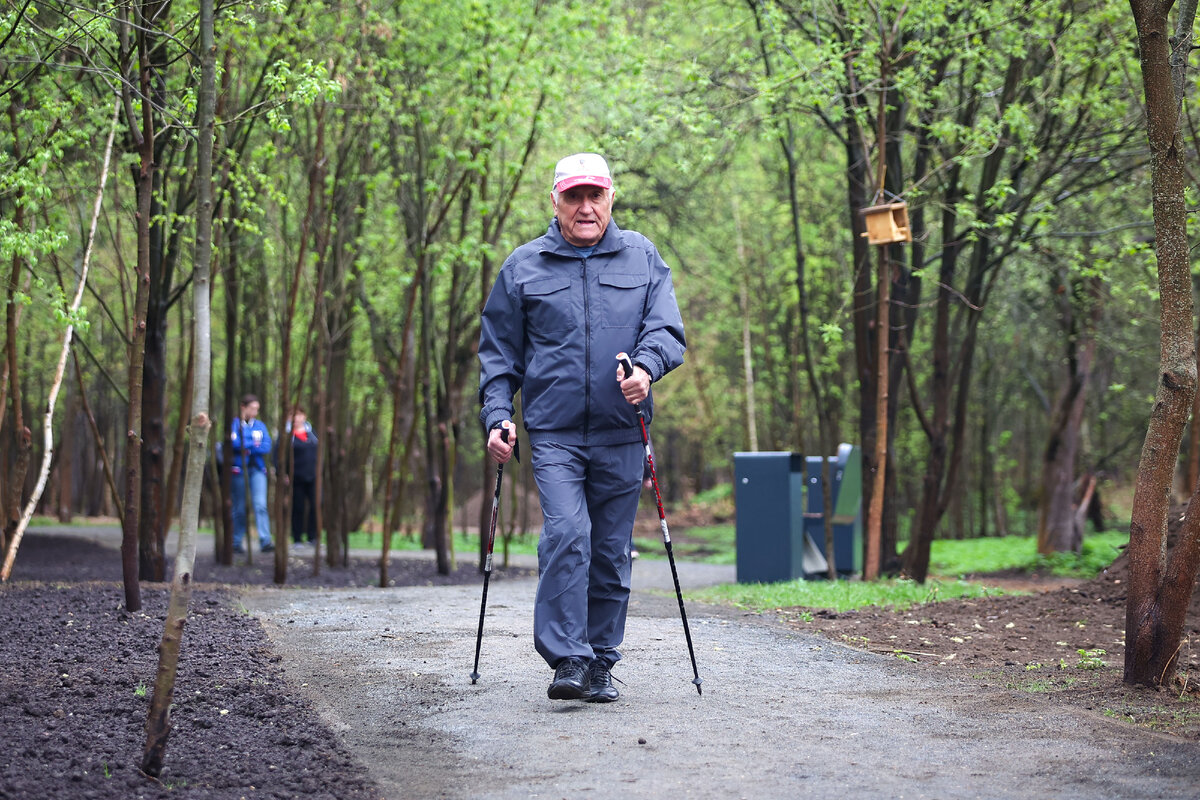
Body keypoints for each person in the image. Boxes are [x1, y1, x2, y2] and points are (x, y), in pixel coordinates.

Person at [478, 152, 686, 703]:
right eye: (574, 196)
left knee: (611, 549)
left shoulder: (642, 257)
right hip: (554, 433)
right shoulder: (524, 266)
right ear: (556, 201)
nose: (586, 207)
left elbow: (666, 329)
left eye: (595, 195)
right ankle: (568, 657)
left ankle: (601, 661)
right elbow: (499, 355)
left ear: (612, 196)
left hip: (623, 430)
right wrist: (498, 415)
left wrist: (646, 369)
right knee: (569, 535)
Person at [229, 394, 274, 555]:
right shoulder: (234, 424)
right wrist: (253, 445)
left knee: (260, 504)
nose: (255, 412)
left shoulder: (260, 426)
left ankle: (265, 540)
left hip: (257, 469)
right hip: (239, 470)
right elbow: (234, 443)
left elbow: (266, 446)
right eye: (252, 408)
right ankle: (236, 541)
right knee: (239, 507)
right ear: (243, 407)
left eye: (257, 409)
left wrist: (247, 447)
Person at [286, 407, 319, 550]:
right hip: (296, 477)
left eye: (299, 415)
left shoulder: (312, 434)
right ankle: (297, 538)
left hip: (313, 476)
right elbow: (278, 456)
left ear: (304, 416)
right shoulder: (286, 435)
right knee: (298, 507)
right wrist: (284, 473)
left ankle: (313, 537)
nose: (296, 418)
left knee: (316, 505)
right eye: (293, 415)